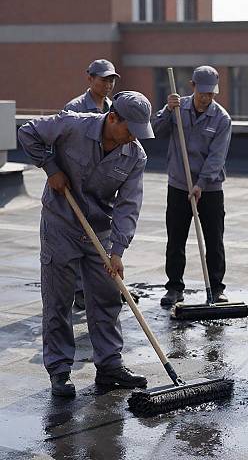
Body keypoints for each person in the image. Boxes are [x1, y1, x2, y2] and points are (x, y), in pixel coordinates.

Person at [18, 91, 155, 397]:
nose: (133, 137)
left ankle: (109, 366)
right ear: (113, 117)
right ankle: (60, 370)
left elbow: (128, 205)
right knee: (59, 299)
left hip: (99, 231)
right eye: (129, 129)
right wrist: (50, 167)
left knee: (108, 296)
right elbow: (27, 131)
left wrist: (117, 251)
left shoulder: (135, 156)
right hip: (61, 224)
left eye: (139, 131)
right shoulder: (72, 125)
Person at [151, 66, 232, 307]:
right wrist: (167, 110)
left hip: (210, 188)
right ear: (192, 86)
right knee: (176, 238)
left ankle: (216, 288)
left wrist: (201, 184)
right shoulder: (177, 107)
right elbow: (156, 130)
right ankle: (174, 287)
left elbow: (217, 157)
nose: (206, 98)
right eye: (202, 92)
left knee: (214, 239)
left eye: (211, 94)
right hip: (178, 183)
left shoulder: (221, 118)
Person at [64, 59, 121, 310]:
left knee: (100, 237)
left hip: (103, 186)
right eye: (103, 79)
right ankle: (79, 291)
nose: (108, 84)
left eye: (111, 80)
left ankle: (102, 288)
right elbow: (61, 144)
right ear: (89, 78)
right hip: (78, 182)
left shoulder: (114, 109)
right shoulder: (75, 108)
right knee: (77, 237)